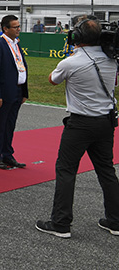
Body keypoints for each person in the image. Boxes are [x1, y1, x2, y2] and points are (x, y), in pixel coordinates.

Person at [36, 17, 119, 238]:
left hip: (80, 124)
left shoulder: (71, 62)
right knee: (106, 171)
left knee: (66, 170)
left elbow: (52, 79)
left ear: (77, 38)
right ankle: (115, 220)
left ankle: (61, 222)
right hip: (105, 122)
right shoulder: (112, 61)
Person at [0, 15, 28, 170]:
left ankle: (7, 153)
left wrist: (24, 91)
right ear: (5, 29)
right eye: (16, 27)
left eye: (19, 26)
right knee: (0, 124)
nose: (19, 29)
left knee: (10, 124)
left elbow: (21, 66)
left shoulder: (16, 44)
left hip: (17, 90)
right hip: (5, 91)